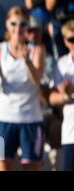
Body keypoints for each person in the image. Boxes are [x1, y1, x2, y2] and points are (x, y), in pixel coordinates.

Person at [0, 6, 46, 171]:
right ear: (7, 24)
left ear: (28, 26)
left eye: (22, 24)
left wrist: (27, 61)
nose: (18, 28)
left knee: (32, 166)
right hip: (2, 120)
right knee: (1, 165)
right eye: (13, 23)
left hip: (30, 119)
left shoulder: (36, 50)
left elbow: (36, 80)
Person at [49, 19, 74, 171]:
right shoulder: (62, 64)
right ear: (65, 41)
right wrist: (65, 95)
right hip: (71, 133)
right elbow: (52, 97)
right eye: (72, 39)